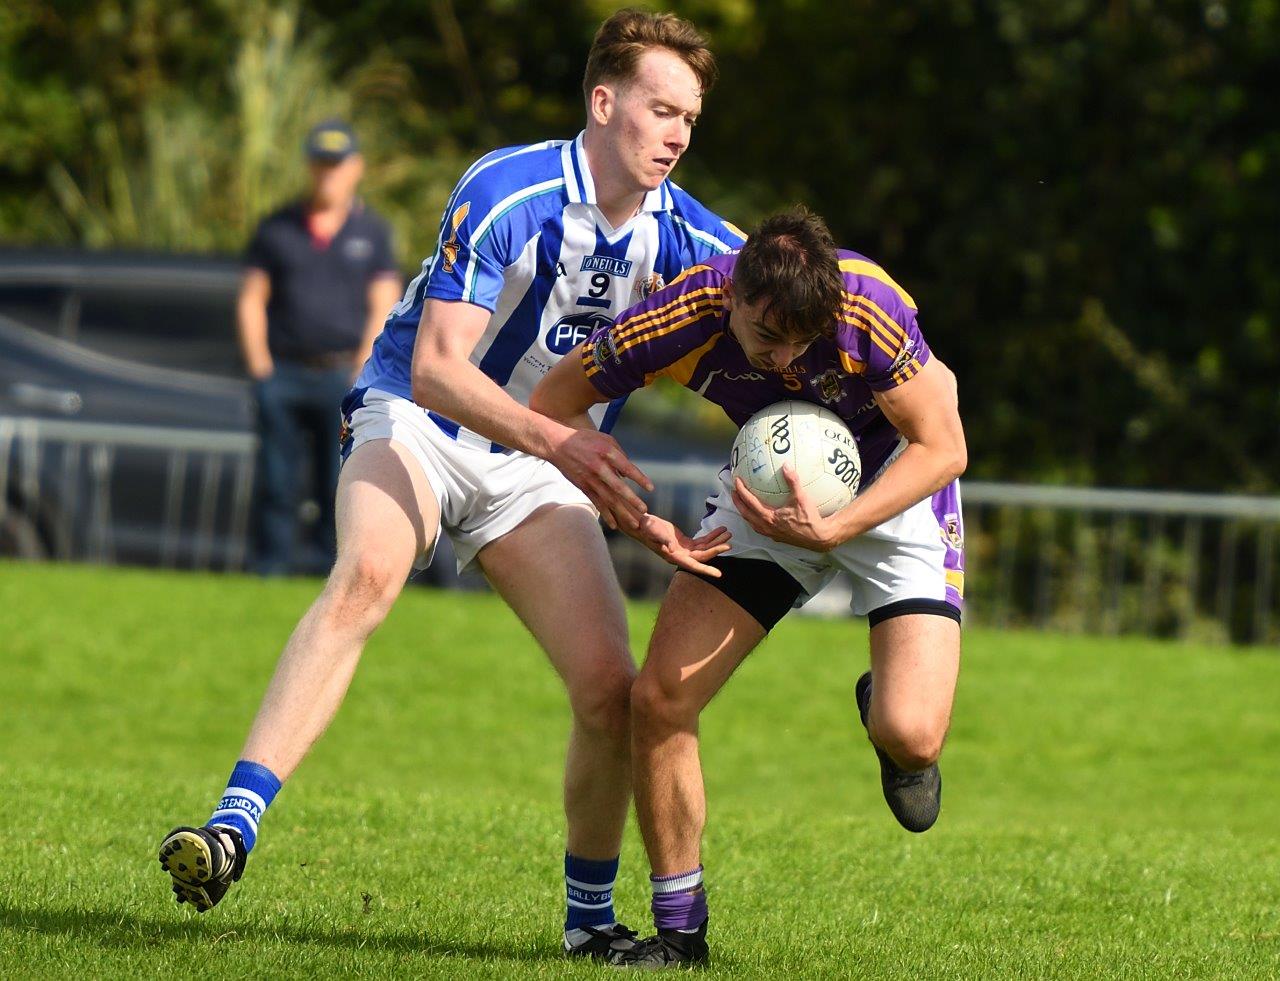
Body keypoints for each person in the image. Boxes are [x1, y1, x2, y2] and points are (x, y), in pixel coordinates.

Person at [158, 10, 743, 961]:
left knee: (609, 692)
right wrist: (567, 446)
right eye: (660, 109)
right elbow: (437, 367)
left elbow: (800, 293)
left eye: (690, 117)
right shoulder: (506, 188)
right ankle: (231, 827)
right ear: (603, 102)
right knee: (368, 574)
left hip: (536, 464)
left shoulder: (691, 239)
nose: (677, 133)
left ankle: (588, 925)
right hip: (420, 421)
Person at [529, 208, 967, 968]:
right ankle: (679, 933)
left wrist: (838, 527)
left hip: (895, 490)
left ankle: (888, 717)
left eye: (806, 338)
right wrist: (627, 512)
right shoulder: (682, 311)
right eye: (768, 338)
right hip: (764, 497)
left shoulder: (868, 303)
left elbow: (946, 443)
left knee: (912, 732)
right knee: (658, 696)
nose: (789, 358)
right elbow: (552, 405)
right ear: (732, 296)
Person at [238, 119, 402, 575]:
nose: (327, 174)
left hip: (342, 376)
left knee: (341, 481)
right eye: (320, 164)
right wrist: (261, 367)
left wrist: (362, 368)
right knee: (276, 480)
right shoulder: (276, 227)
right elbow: (252, 298)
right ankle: (268, 569)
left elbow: (384, 302)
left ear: (356, 168)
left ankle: (329, 573)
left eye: (337, 164)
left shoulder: (371, 232)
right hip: (284, 374)